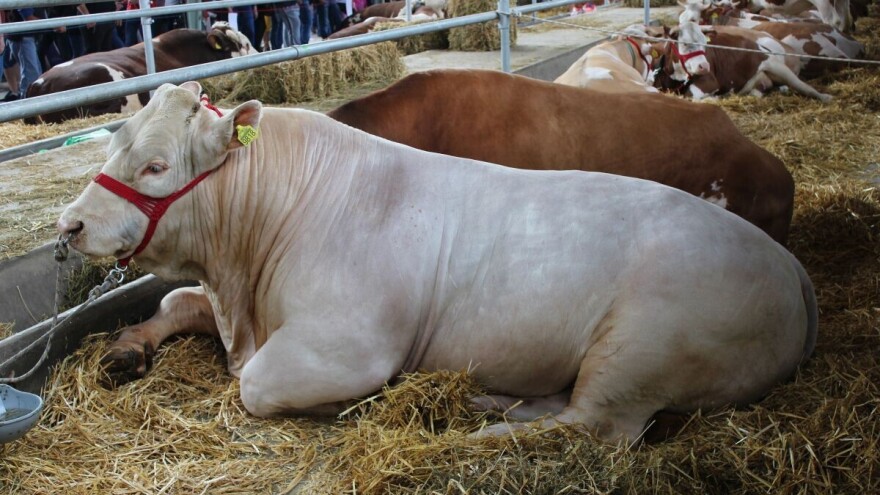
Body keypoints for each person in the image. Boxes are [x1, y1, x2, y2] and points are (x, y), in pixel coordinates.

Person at [5, 8, 44, 100]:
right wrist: (52, 24)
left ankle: (30, 104)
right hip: (23, 37)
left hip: (24, 37)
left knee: (34, 74)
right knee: (31, 75)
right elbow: (28, 17)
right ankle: (26, 106)